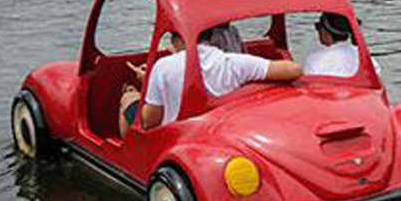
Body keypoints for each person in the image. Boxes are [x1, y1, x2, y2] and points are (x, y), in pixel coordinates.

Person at [118, 25, 302, 136]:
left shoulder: (163, 66)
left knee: (128, 98)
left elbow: (150, 120)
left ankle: (126, 160)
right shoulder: (233, 62)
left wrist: (146, 83)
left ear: (181, 36)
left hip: (173, 136)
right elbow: (294, 69)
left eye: (172, 37)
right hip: (220, 131)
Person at [303, 12, 367, 77]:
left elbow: (308, 84)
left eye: (318, 27)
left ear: (325, 32)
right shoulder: (364, 57)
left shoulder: (315, 59)